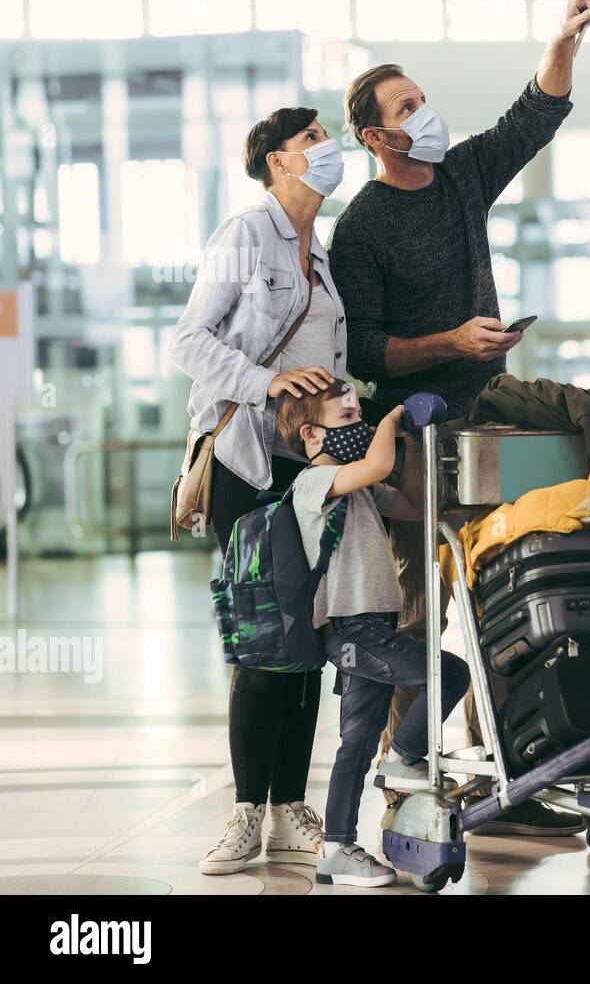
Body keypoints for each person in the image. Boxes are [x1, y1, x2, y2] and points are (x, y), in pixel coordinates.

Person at [328, 0, 590, 837]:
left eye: (426, 98)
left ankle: (506, 767)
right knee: (420, 607)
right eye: (409, 105)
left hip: (488, 417)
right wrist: (453, 341)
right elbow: (366, 351)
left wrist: (563, 41)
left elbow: (534, 115)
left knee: (500, 580)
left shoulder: (460, 177)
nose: (428, 112)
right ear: (378, 134)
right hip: (411, 432)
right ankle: (401, 772)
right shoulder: (361, 229)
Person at [171, 107, 349, 874]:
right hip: (248, 464)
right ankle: (247, 812)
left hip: (306, 465)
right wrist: (266, 380)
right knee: (260, 635)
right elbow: (189, 340)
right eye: (311, 138)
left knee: (304, 635)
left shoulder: (325, 255)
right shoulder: (248, 235)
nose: (326, 147)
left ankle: (289, 807)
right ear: (278, 161)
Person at [273, 380, 470, 887]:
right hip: (352, 630)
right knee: (448, 672)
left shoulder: (356, 486)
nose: (359, 429)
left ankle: (335, 847)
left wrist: (411, 440)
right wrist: (391, 420)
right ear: (311, 436)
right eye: (348, 421)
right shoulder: (311, 483)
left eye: (362, 419)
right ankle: (405, 756)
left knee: (356, 744)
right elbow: (378, 465)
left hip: (376, 626)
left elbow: (413, 504)